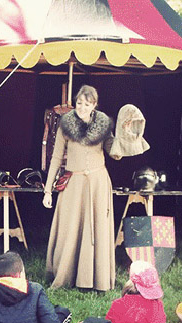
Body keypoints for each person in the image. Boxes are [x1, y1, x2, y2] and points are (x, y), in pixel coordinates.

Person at [42, 84, 116, 292]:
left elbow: (114, 151)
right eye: (79, 103)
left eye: (87, 104)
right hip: (73, 184)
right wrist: (48, 190)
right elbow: (56, 158)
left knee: (97, 228)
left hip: (97, 183)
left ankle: (97, 279)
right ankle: (66, 276)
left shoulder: (103, 125)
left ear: (94, 105)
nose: (82, 107)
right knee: (70, 228)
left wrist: (129, 136)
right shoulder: (65, 125)